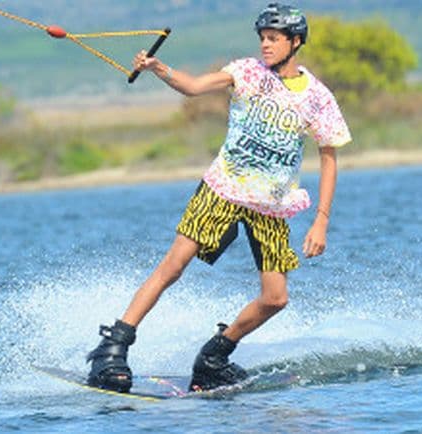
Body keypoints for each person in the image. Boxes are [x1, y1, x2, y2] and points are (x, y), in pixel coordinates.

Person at [86, 3, 352, 393]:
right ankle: (112, 348)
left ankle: (214, 357)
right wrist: (160, 69)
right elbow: (194, 87)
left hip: (270, 204)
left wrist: (322, 220)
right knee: (174, 265)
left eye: (274, 39)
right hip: (224, 188)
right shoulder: (245, 71)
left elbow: (329, 158)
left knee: (276, 298)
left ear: (296, 42)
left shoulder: (317, 97)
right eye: (262, 37)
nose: (265, 45)